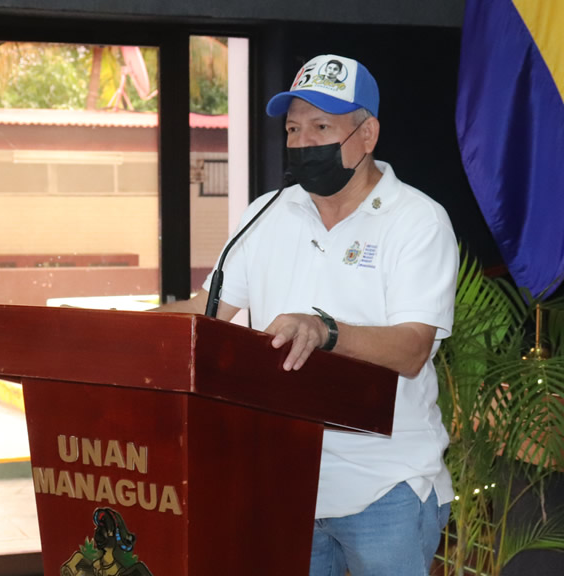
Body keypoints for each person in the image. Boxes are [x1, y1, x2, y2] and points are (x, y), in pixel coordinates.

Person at [157, 54, 457, 576]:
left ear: (368, 134)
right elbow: (206, 315)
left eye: (322, 126)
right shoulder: (266, 212)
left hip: (384, 487)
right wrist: (120, 326)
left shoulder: (417, 220)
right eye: (294, 128)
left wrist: (325, 331)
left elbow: (412, 349)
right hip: (284, 480)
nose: (302, 142)